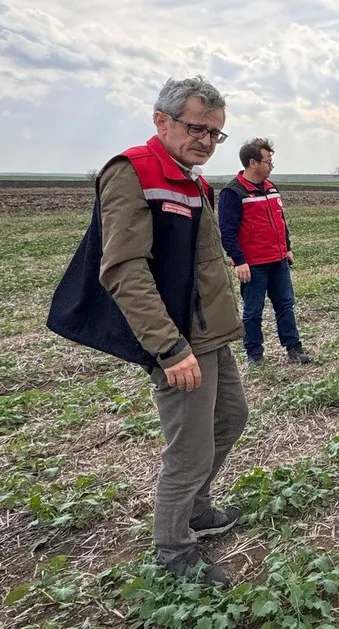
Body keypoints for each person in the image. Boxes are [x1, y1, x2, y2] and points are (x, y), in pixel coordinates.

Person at [46, 76, 246, 585]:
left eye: (215, 132)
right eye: (197, 128)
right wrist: (169, 347)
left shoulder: (194, 181)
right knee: (190, 448)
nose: (207, 140)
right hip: (177, 338)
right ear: (161, 120)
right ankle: (174, 550)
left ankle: (197, 509)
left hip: (207, 331)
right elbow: (124, 269)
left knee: (230, 418)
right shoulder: (132, 172)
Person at [218, 138, 311, 366]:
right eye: (268, 161)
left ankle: (294, 348)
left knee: (285, 305)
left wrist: (287, 247)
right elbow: (227, 231)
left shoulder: (271, 188)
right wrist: (239, 261)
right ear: (253, 163)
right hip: (253, 265)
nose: (271, 166)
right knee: (253, 311)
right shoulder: (233, 192)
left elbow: (281, 221)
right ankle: (255, 354)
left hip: (278, 261)